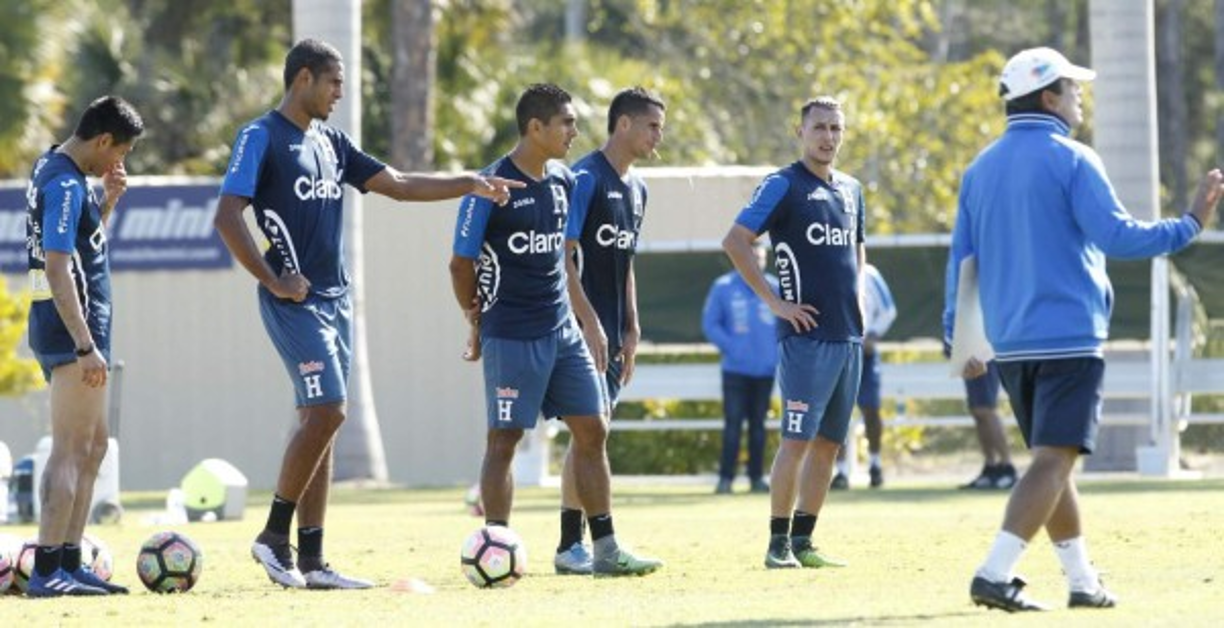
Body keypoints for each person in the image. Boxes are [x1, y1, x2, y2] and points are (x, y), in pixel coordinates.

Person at [214, 38, 522, 590]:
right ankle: (272, 537)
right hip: (296, 302)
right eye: (334, 82)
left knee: (323, 422)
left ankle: (312, 561)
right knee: (329, 410)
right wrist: (273, 278)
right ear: (303, 78)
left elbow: (399, 185)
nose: (339, 93)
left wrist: (470, 182)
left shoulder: (332, 141)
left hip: (336, 300)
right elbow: (226, 216)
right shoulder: (260, 137)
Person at [946, 47, 1222, 612]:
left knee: (1056, 461)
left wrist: (959, 337)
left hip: (1010, 346)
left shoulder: (979, 169)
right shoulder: (1074, 159)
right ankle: (995, 573)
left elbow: (961, 262)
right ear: (1049, 97)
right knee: (1055, 460)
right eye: (1073, 89)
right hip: (1070, 337)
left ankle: (1082, 581)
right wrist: (1190, 222)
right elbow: (1120, 237)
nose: (1080, 98)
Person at [450, 83, 663, 578]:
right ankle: (497, 545)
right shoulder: (490, 185)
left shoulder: (565, 181)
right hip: (511, 332)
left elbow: (565, 259)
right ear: (535, 128)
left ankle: (604, 547)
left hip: (561, 330)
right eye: (566, 123)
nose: (575, 131)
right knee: (504, 439)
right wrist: (475, 318)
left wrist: (588, 321)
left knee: (593, 429)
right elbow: (460, 265)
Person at [722, 96, 865, 570]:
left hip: (848, 337)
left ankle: (804, 541)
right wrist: (774, 302)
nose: (828, 137)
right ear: (799, 132)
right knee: (797, 440)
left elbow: (856, 254)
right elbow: (736, 241)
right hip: (805, 336)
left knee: (829, 444)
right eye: (819, 127)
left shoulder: (852, 189)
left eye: (836, 128)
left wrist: (859, 304)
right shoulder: (782, 185)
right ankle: (777, 544)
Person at [24, 95, 144, 596]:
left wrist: (108, 203)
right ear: (101, 140)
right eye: (120, 152)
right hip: (71, 335)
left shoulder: (63, 174)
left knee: (93, 447)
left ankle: (70, 563)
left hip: (83, 333)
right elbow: (56, 266)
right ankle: (48, 570)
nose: (119, 163)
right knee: (70, 450)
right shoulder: (65, 183)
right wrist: (84, 345)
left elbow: (81, 247)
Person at [555, 87, 666, 574]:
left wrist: (632, 325)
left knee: (590, 438)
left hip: (614, 335)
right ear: (623, 124)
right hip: (581, 332)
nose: (659, 135)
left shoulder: (638, 187)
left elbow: (626, 262)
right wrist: (590, 322)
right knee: (589, 435)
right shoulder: (584, 178)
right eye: (652, 126)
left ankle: (571, 546)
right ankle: (579, 545)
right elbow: (564, 256)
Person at [702, 242, 779, 495]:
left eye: (761, 256)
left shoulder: (775, 288)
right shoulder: (723, 287)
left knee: (759, 426)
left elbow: (786, 326)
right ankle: (726, 478)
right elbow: (710, 324)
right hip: (734, 370)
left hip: (765, 371)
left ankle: (757, 478)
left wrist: (774, 356)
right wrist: (733, 348)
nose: (757, 261)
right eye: (753, 256)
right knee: (733, 424)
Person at [832, 262, 895, 490]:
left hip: (864, 353)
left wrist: (874, 334)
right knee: (837, 412)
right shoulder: (827, 265)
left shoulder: (868, 273)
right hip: (835, 348)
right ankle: (840, 471)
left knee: (871, 408)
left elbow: (888, 310)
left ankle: (875, 464)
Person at [957, 363, 1018, 490]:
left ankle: (1007, 468)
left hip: (982, 354)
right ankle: (991, 468)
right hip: (968, 353)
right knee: (977, 410)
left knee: (985, 409)